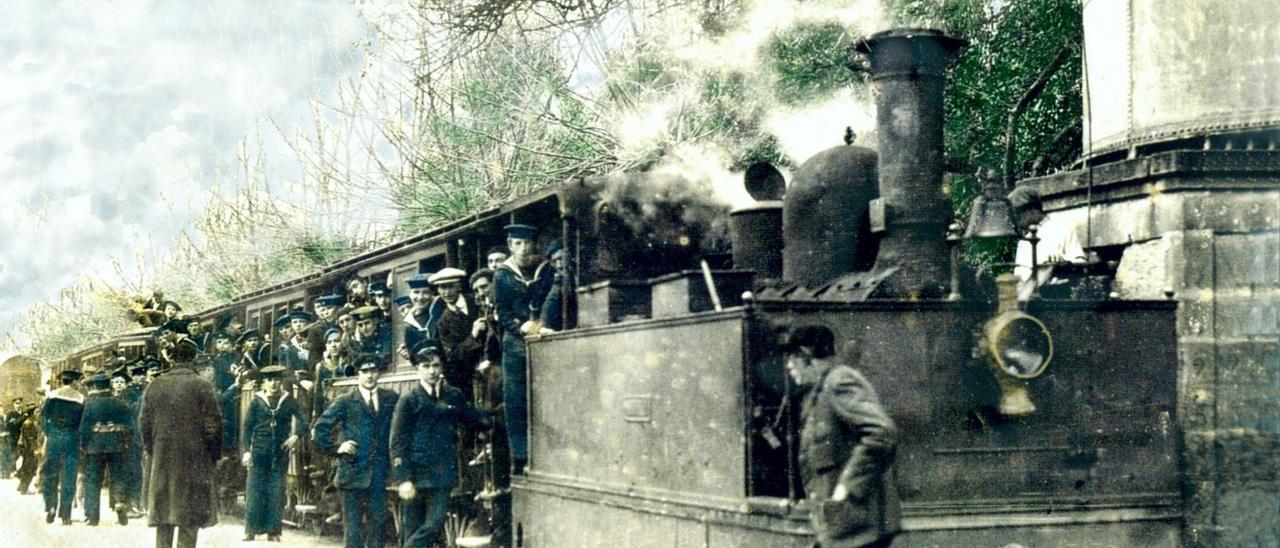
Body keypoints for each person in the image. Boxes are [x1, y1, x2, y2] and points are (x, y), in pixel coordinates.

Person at [782, 325, 899, 548]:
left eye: (792, 357)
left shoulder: (839, 382)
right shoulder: (820, 391)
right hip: (842, 524)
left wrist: (848, 487)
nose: (789, 365)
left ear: (808, 356)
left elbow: (881, 432)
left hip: (860, 523)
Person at [391, 341, 490, 548]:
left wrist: (495, 416)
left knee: (435, 523)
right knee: (413, 528)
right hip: (416, 473)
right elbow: (398, 441)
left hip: (443, 472)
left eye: (436, 365)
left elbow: (473, 419)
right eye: (426, 366)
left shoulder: (453, 395)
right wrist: (403, 479)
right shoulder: (408, 400)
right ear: (417, 369)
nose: (432, 371)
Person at [311, 353, 399, 548]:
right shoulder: (346, 401)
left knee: (378, 526)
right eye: (365, 371)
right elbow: (320, 428)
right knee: (353, 531)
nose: (369, 376)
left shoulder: (390, 398)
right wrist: (336, 448)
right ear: (358, 374)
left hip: (378, 474)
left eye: (373, 370)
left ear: (379, 373)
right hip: (352, 473)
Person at [140, 342, 223, 548]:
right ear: (193, 358)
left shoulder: (155, 385)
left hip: (162, 455)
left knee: (163, 512)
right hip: (193, 457)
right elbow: (212, 424)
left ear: (172, 359)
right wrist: (212, 455)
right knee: (189, 514)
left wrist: (153, 450)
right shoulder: (202, 385)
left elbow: (144, 423)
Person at [492, 223, 554, 472]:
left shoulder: (545, 269)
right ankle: (521, 455)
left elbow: (551, 297)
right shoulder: (502, 275)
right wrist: (521, 327)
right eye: (518, 243)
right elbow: (502, 312)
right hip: (516, 342)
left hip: (544, 336)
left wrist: (543, 323)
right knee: (516, 398)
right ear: (510, 245)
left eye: (527, 243)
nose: (524, 249)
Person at [241, 364, 308, 542]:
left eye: (277, 380)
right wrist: (246, 451)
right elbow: (247, 428)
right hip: (259, 451)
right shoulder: (256, 401)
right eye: (270, 380)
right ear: (264, 383)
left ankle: (273, 530)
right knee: (255, 489)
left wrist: (296, 435)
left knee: (276, 490)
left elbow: (303, 418)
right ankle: (251, 530)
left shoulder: (288, 400)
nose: (273, 384)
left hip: (280, 452)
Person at [79, 372, 136, 526]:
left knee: (92, 481)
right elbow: (131, 427)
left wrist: (84, 446)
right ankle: (119, 502)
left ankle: (92, 516)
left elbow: (83, 428)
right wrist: (118, 429)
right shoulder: (119, 403)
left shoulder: (90, 404)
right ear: (109, 385)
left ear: (96, 386)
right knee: (118, 476)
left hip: (94, 447)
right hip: (116, 445)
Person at [1009, 186, 1086, 300]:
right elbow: (1018, 276)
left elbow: (1080, 263)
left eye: (1018, 215)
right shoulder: (1024, 242)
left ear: (1031, 210)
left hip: (1057, 297)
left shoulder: (1062, 228)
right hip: (1027, 300)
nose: (1016, 221)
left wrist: (1062, 265)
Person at [427, 267, 483, 400]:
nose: (446, 292)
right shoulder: (442, 323)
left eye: (450, 287)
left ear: (459, 286)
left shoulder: (476, 301)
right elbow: (453, 355)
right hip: (466, 377)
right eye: (442, 288)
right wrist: (473, 335)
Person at [41, 369, 84, 525]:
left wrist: (50, 434)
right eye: (78, 381)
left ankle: (51, 505)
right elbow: (82, 422)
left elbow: (43, 417)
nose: (79, 384)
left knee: (50, 473)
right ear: (73, 382)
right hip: (71, 440)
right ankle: (65, 514)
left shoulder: (52, 396)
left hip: (54, 439)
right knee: (69, 476)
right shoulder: (80, 399)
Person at [401, 273, 434, 356]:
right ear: (410, 294)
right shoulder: (410, 321)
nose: (420, 297)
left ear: (432, 293)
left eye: (425, 292)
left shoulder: (438, 312)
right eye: (416, 292)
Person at [15, 400, 41, 495]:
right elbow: (30, 439)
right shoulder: (28, 423)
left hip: (27, 448)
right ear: (31, 413)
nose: (38, 414)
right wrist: (34, 450)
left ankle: (22, 486)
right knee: (29, 468)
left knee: (27, 467)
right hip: (27, 448)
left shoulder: (33, 422)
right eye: (36, 412)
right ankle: (24, 488)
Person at [1, 397, 23, 479]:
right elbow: (7, 424)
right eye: (16, 403)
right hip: (12, 436)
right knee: (13, 453)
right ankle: (12, 470)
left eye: (19, 403)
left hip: (20, 436)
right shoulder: (10, 413)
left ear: (22, 403)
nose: (18, 405)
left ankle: (16, 470)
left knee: (19, 453)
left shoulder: (23, 413)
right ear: (13, 404)